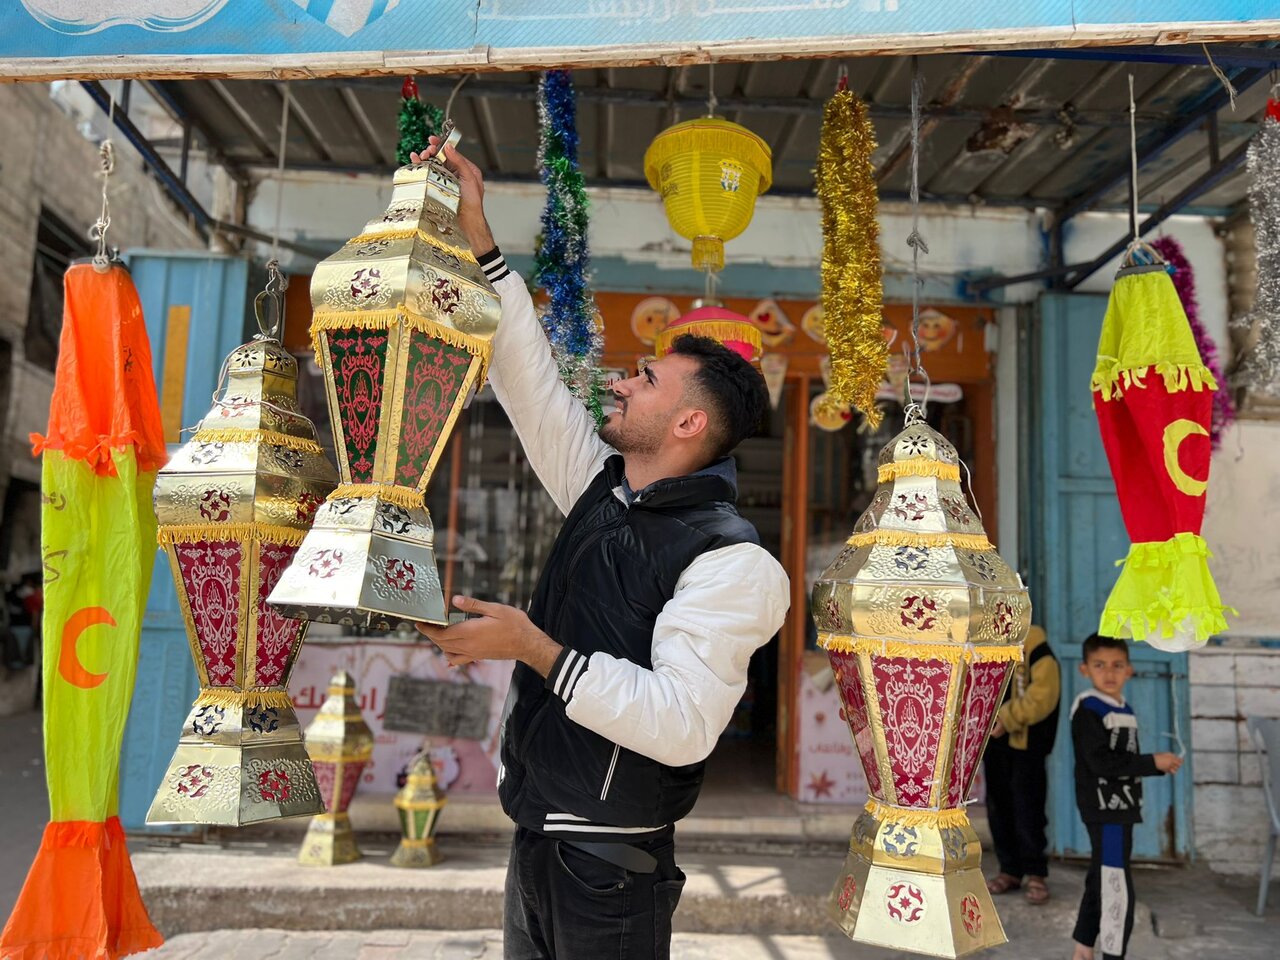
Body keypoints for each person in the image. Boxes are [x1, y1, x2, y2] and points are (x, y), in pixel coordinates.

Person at [412, 137, 790, 960]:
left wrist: (533, 648)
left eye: (646, 379)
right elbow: (527, 381)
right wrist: (479, 236)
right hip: (537, 842)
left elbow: (685, 723)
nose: (620, 380)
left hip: (612, 869)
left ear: (689, 424)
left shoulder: (735, 563)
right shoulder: (601, 484)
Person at [1070, 633, 1183, 960]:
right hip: (1105, 810)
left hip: (1122, 808)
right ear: (1084, 670)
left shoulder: (1122, 707)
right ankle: (1112, 955)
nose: (1109, 673)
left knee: (1102, 877)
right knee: (1117, 889)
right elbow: (1100, 762)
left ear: (1129, 670)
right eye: (1100, 665)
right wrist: (1153, 763)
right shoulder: (1088, 709)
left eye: (1117, 665)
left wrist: (1155, 765)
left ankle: (1082, 947)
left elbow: (1120, 759)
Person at [983, 623, 1060, 905]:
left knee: (1028, 807)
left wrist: (1008, 717)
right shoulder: (987, 638)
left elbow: (1044, 695)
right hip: (993, 741)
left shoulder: (1035, 643)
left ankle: (1036, 873)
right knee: (998, 806)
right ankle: (1010, 871)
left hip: (1024, 743)